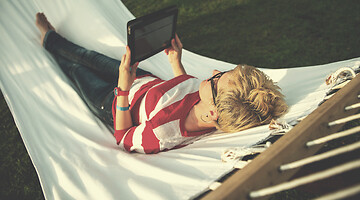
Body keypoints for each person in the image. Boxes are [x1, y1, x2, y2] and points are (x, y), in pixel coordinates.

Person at [35, 12, 288, 154]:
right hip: (142, 80)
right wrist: (176, 61)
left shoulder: (163, 133)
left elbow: (123, 138)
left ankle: (49, 41)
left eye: (217, 77)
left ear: (212, 112)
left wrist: (123, 89)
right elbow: (184, 86)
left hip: (113, 102)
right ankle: (56, 40)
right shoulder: (211, 105)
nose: (212, 71)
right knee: (89, 56)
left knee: (77, 69)